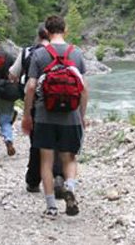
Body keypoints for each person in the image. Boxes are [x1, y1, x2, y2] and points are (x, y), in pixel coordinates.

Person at [22, 15, 89, 218]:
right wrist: (81, 116)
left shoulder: (40, 55)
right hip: (70, 117)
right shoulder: (76, 53)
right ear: (65, 30)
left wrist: (27, 115)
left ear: (47, 31)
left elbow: (31, 87)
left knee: (46, 162)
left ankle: (51, 207)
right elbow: (84, 89)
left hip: (44, 116)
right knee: (69, 158)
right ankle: (69, 187)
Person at [9, 24, 63, 193]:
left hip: (35, 103)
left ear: (39, 36)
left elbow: (13, 74)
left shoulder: (27, 52)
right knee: (57, 141)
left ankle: (33, 181)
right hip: (59, 102)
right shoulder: (63, 52)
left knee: (37, 142)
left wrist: (26, 113)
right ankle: (58, 175)